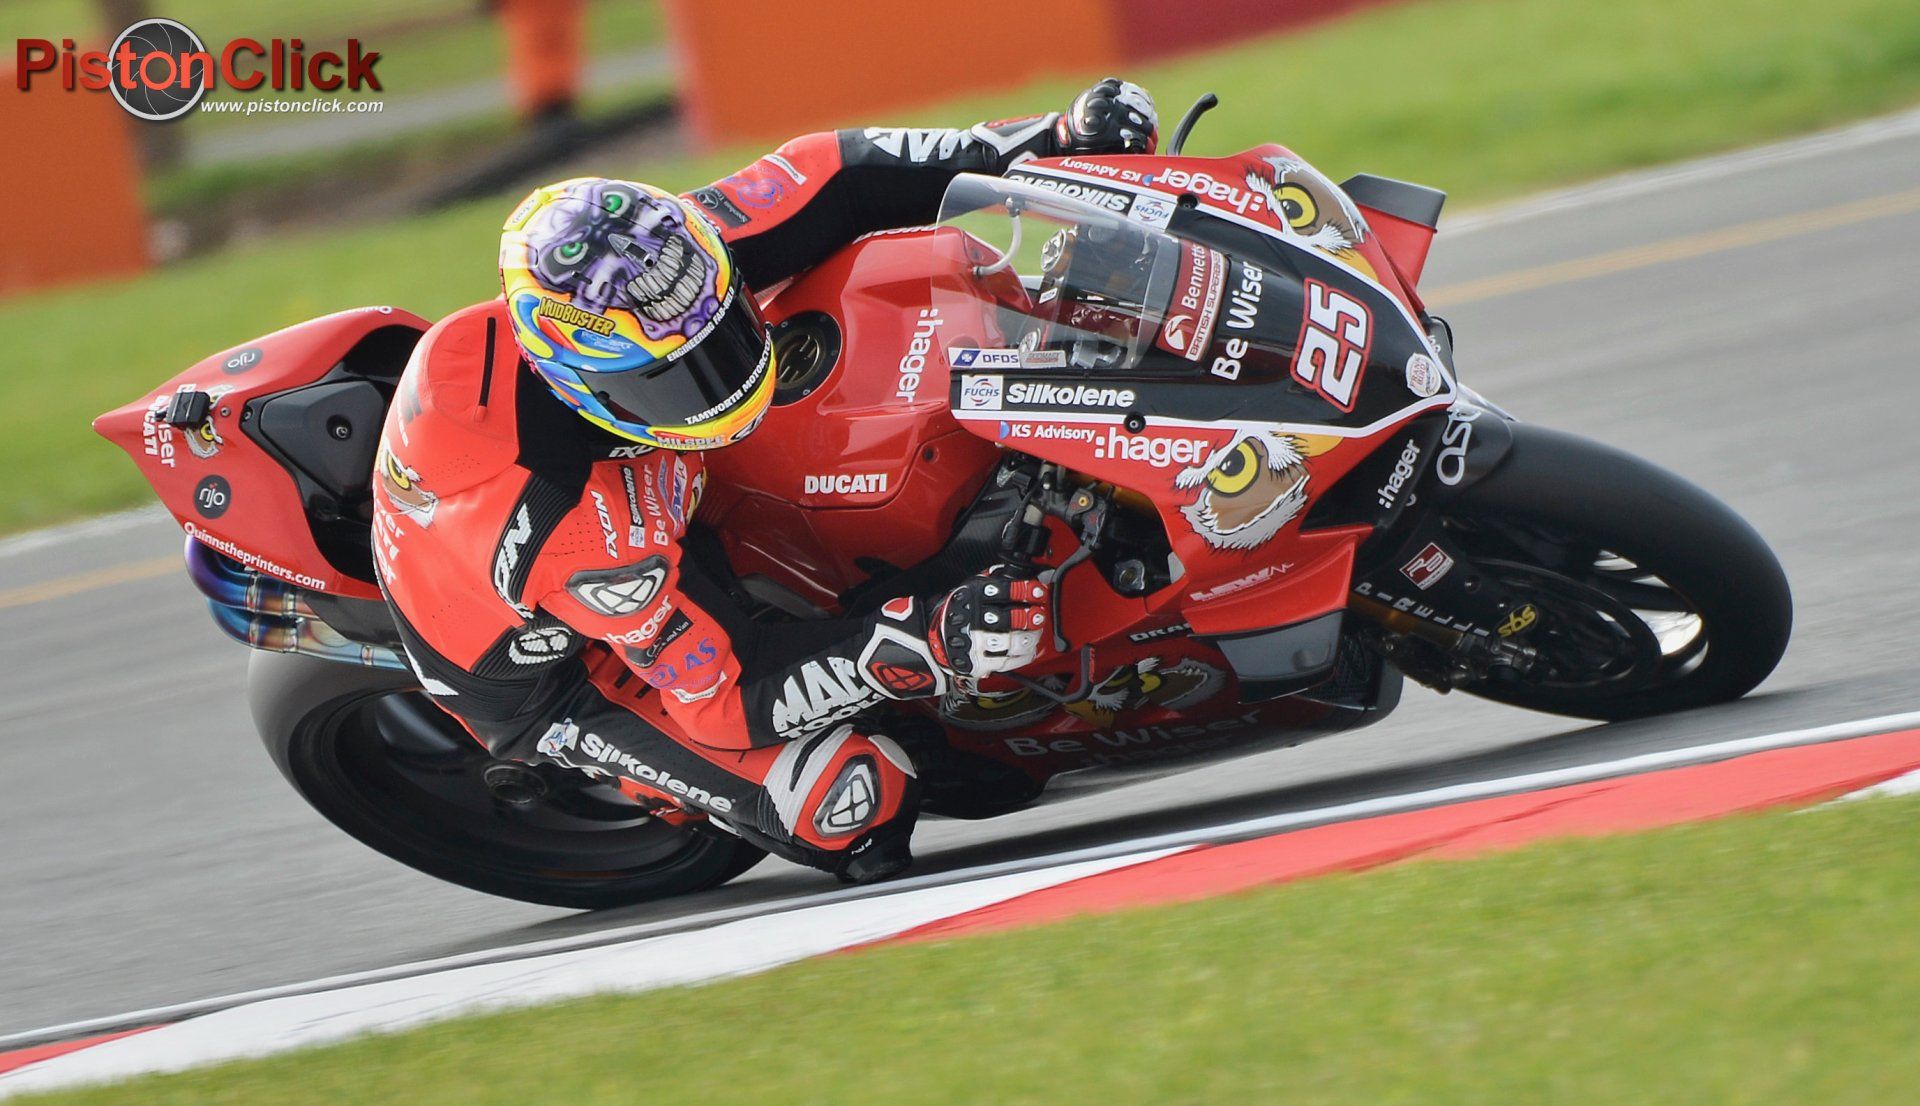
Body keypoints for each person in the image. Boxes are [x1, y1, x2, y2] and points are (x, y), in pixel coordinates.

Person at [371, 79, 1158, 883]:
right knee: (854, 805)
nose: (724, 383)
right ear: (589, 386)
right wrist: (925, 638)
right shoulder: (582, 532)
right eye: (677, 378)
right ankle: (666, 783)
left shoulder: (653, 267)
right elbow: (724, 697)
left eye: (726, 334)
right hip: (572, 666)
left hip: (653, 480)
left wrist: (1039, 142)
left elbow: (832, 172)